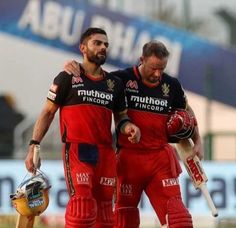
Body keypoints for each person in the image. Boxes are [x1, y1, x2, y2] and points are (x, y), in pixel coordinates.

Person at [64, 41, 204, 228]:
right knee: (125, 220)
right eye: (153, 68)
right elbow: (93, 79)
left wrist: (198, 140)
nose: (157, 74)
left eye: (162, 69)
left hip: (160, 160)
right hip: (129, 161)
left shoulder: (171, 85)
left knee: (179, 219)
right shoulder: (120, 80)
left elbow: (187, 112)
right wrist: (75, 67)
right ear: (141, 60)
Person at [24, 27, 141, 228]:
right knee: (82, 208)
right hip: (78, 149)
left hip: (105, 152)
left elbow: (121, 117)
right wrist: (34, 144)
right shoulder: (67, 77)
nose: (103, 47)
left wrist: (129, 126)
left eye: (106, 44)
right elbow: (48, 112)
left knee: (105, 215)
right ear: (83, 48)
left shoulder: (114, 83)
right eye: (97, 43)